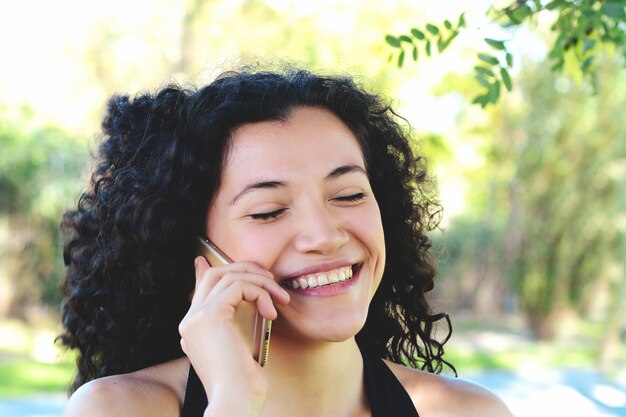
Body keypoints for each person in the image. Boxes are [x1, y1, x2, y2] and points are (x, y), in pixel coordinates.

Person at [60, 67, 512, 417]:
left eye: (349, 194)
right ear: (193, 249)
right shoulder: (118, 409)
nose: (324, 236)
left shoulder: (467, 412)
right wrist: (233, 403)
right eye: (268, 211)